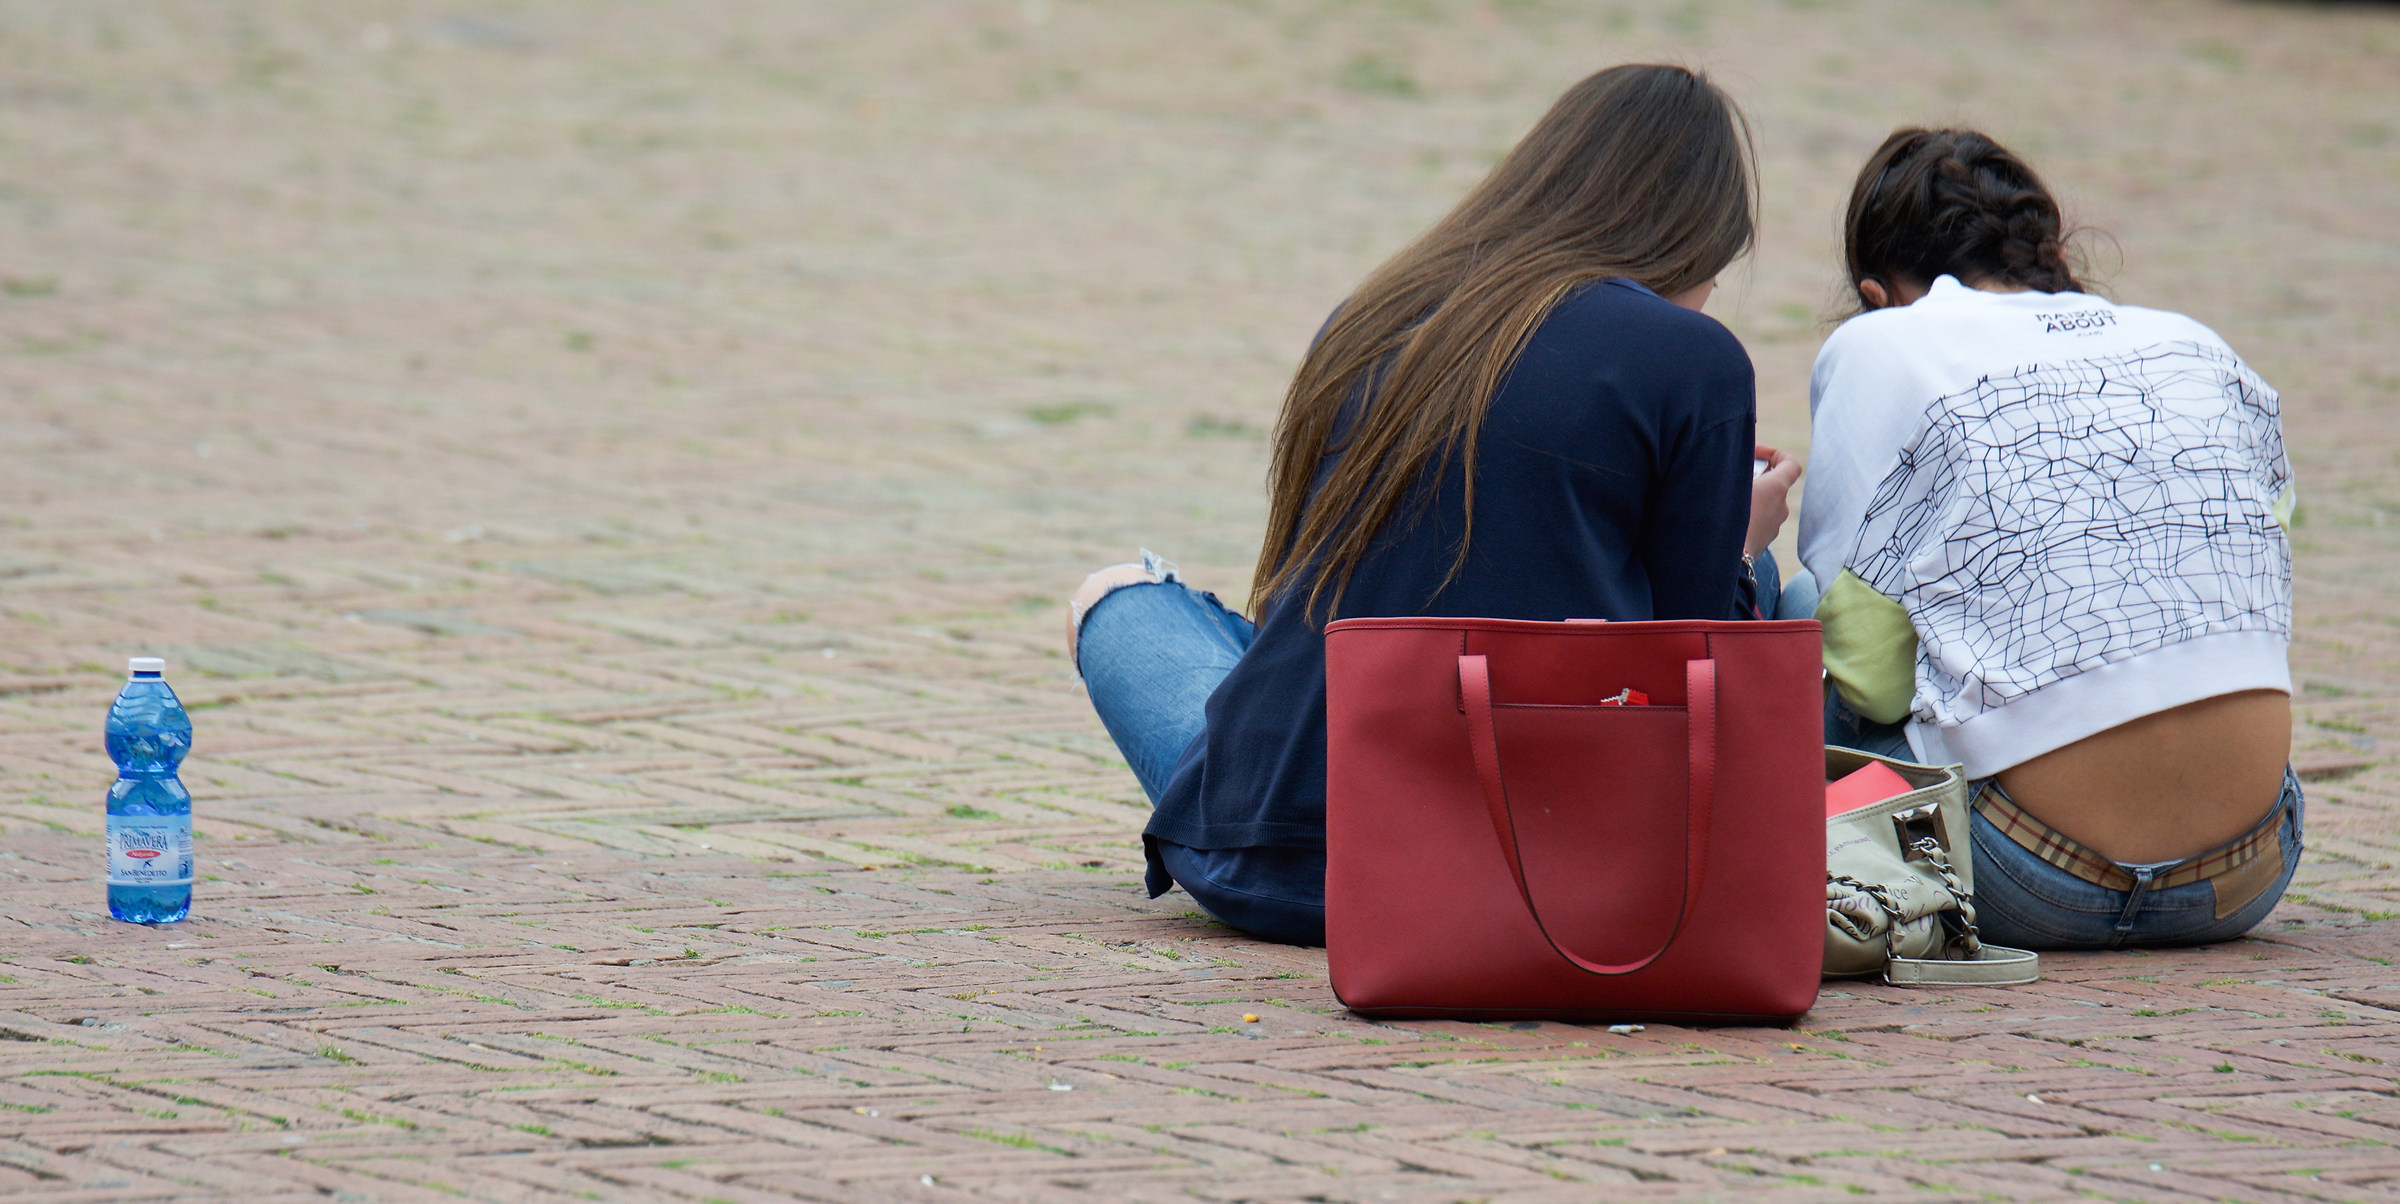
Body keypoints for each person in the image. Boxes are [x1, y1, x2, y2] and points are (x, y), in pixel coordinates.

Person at [1065, 64, 1802, 946]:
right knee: (1767, 589)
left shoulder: (1376, 311)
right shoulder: (1692, 356)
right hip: (1535, 878)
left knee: (1120, 600)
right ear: (1691, 240)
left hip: (1270, 863)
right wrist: (1738, 543)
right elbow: (1687, 664)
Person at [1799, 128, 2301, 951]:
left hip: (2031, 883)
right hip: (2249, 871)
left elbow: (1872, 681)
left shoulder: (1883, 345)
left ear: (1877, 292)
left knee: (1798, 635)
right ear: (2050, 253)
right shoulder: (2194, 345)